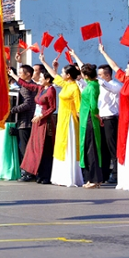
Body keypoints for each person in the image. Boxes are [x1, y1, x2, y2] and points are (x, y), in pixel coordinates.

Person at [99, 44, 129, 192]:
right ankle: (124, 179)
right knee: (122, 146)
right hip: (123, 119)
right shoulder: (126, 80)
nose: (125, 70)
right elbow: (114, 66)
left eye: (128, 68)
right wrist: (103, 52)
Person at [39, 53, 83, 187]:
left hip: (70, 120)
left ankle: (70, 177)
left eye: (64, 72)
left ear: (69, 75)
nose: (62, 74)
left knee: (68, 145)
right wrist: (44, 61)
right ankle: (61, 177)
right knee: (60, 146)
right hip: (62, 119)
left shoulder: (75, 88)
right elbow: (54, 76)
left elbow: (79, 107)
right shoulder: (66, 85)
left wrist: (82, 125)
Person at [9, 68, 56, 184]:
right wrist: (14, 75)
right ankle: (38, 173)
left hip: (45, 122)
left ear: (48, 79)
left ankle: (46, 175)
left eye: (41, 78)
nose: (39, 79)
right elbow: (26, 84)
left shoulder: (51, 90)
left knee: (45, 149)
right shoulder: (40, 88)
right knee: (35, 148)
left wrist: (41, 116)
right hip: (36, 122)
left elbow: (52, 107)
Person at [11, 62, 38, 182]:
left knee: (25, 149)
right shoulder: (28, 85)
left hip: (26, 121)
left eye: (21, 73)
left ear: (28, 75)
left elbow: (27, 104)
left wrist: (13, 109)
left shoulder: (27, 87)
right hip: (25, 121)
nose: (19, 75)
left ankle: (28, 172)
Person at [77, 62, 102, 189]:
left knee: (91, 149)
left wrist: (96, 115)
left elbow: (93, 105)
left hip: (90, 119)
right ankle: (89, 178)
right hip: (85, 120)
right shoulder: (90, 84)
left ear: (86, 75)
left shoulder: (93, 87)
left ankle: (95, 178)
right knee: (86, 148)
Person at [96, 64, 121, 184]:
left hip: (111, 118)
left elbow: (111, 88)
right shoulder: (101, 86)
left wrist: (101, 81)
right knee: (103, 148)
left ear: (107, 75)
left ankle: (116, 174)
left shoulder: (115, 85)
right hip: (101, 118)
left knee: (112, 147)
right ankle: (104, 173)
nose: (98, 77)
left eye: (100, 75)